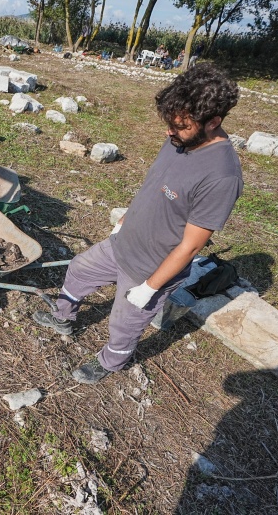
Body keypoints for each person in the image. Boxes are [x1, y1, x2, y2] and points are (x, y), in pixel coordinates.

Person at [32, 63, 242, 385]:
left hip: (148, 268)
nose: (169, 132)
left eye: (180, 126)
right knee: (78, 270)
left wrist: (149, 288)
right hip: (122, 243)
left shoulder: (221, 176)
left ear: (213, 122)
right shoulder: (180, 137)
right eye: (170, 123)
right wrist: (124, 222)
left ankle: (111, 361)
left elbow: (191, 246)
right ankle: (63, 318)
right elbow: (153, 184)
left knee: (123, 324)